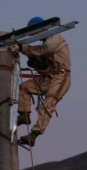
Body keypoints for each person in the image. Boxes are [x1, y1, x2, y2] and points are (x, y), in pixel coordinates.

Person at [17, 17, 71, 147]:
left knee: (48, 103)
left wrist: (22, 48)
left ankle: (34, 134)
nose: (34, 35)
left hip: (61, 77)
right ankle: (24, 114)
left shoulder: (54, 37)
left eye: (34, 32)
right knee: (24, 87)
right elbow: (43, 59)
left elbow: (45, 50)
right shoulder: (46, 42)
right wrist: (37, 62)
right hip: (49, 77)